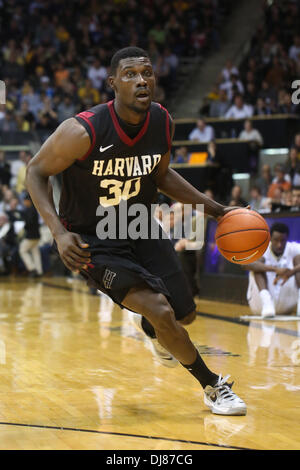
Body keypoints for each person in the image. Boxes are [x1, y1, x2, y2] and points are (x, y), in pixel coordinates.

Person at [26, 46, 246, 416]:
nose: (141, 79)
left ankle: (157, 332)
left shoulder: (162, 121)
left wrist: (218, 211)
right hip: (92, 241)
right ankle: (213, 387)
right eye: (130, 74)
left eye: (147, 72)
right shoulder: (83, 130)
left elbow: (161, 176)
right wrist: (58, 233)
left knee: (183, 315)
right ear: (113, 83)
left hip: (141, 226)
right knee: (161, 311)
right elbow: (35, 171)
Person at [245, 223, 300, 317]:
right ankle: (266, 301)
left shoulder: (293, 247)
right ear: (270, 238)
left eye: (283, 241)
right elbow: (246, 264)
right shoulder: (262, 248)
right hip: (260, 306)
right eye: (276, 240)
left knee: (298, 259)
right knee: (257, 265)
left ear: (287, 239)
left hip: (286, 305)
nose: (279, 244)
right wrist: (275, 269)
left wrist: (292, 272)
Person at [19, 193, 43, 278]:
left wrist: (22, 225)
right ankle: (39, 271)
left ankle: (32, 268)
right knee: (35, 253)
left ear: (28, 201)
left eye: (25, 201)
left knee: (22, 250)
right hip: (37, 236)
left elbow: (28, 223)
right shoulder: (34, 209)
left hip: (31, 236)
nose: (24, 203)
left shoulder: (29, 210)